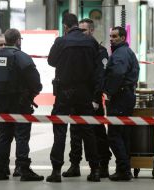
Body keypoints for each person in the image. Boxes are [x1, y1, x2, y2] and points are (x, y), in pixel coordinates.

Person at [46, 13, 103, 183]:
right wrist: (95, 95)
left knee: (60, 130)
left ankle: (56, 171)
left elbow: (51, 61)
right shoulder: (91, 42)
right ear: (77, 24)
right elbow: (97, 69)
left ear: (65, 26)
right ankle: (95, 171)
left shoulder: (61, 41)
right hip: (84, 92)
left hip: (64, 92)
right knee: (88, 131)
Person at [0, 28, 44, 181]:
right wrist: (32, 93)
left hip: (1, 104)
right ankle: (23, 170)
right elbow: (35, 81)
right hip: (20, 104)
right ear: (18, 40)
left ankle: (1, 170)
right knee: (21, 136)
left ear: (5, 40)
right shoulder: (22, 57)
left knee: (4, 136)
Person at [62, 18, 112, 178]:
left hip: (93, 99)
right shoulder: (80, 49)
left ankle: (102, 165)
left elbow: (100, 77)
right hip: (79, 98)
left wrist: (96, 99)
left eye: (83, 30)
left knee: (97, 133)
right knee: (75, 132)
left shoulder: (99, 50)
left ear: (91, 31)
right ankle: (74, 164)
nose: (80, 33)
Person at [103, 26, 139, 181]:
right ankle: (123, 168)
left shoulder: (120, 53)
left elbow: (117, 73)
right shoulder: (125, 52)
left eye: (115, 36)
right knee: (123, 135)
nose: (111, 39)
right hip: (126, 95)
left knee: (114, 134)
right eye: (110, 36)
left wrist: (109, 91)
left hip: (120, 97)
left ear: (123, 38)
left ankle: (123, 170)